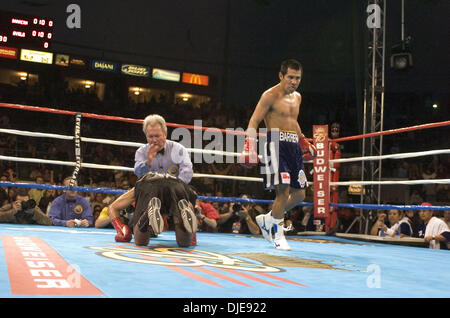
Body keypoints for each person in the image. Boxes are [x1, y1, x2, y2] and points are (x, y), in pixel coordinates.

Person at [239, 59, 316, 250]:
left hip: (293, 146)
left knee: (299, 194)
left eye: (297, 78)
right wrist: (249, 146)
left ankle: (269, 218)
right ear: (281, 76)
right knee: (283, 192)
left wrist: (303, 141)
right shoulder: (270, 95)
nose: (294, 81)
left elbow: (293, 121)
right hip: (275, 143)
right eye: (290, 77)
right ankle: (279, 236)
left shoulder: (297, 97)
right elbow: (254, 121)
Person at [108, 172, 198, 247]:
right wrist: (191, 236)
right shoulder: (184, 188)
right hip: (179, 186)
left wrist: (121, 229)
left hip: (149, 184)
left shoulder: (138, 189)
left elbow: (112, 207)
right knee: (185, 243)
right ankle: (182, 222)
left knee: (140, 242)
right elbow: (192, 198)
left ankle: (147, 214)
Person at [134, 114, 193, 184]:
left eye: (157, 136)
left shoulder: (178, 149)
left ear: (165, 134)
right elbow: (139, 174)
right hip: (151, 190)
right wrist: (148, 162)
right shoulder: (141, 152)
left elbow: (187, 171)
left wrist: (177, 186)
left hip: (174, 189)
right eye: (150, 136)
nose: (154, 140)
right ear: (146, 136)